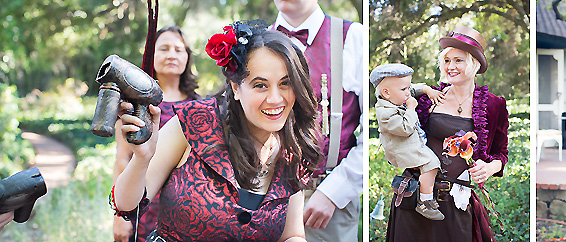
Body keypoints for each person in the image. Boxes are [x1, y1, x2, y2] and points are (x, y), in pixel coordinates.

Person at [111, 20, 320, 241]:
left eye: (285, 83)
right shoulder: (194, 121)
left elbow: (292, 234)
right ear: (236, 88)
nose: (276, 99)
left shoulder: (293, 151)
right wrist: (142, 157)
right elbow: (127, 205)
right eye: (261, 85)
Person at [386, 25, 509, 242]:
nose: (450, 66)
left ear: (474, 63)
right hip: (415, 198)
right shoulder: (428, 98)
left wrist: (490, 167)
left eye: (458, 60)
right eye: (446, 60)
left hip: (456, 202)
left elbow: (501, 153)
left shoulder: (494, 105)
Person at [270, 1, 365, 240]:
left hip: (329, 207)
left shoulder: (352, 36)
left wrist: (335, 191)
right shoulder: (255, 41)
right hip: (266, 201)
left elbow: (379, 131)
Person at [112, 25, 202, 242]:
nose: (172, 55)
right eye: (164, 49)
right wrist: (120, 216)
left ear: (187, 57)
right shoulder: (135, 105)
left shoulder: (202, 106)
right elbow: (123, 158)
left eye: (178, 50)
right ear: (151, 55)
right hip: (143, 205)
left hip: (190, 213)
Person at [371, 63, 447, 220]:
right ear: (386, 92)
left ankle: (425, 194)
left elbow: (413, 88)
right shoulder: (384, 112)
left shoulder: (394, 96)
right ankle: (425, 202)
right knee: (431, 164)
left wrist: (427, 90)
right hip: (401, 149)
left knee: (431, 162)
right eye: (404, 89)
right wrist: (411, 108)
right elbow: (405, 128)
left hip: (409, 143)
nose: (408, 92)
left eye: (407, 88)